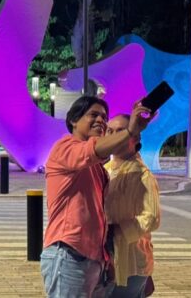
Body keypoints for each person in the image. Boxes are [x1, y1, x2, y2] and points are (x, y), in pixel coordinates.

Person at [40, 97, 154, 298]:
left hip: (95, 261)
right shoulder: (65, 148)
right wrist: (130, 130)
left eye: (104, 117)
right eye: (93, 115)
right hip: (69, 254)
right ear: (74, 120)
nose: (101, 120)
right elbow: (93, 149)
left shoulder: (99, 169)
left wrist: (106, 260)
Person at [104, 114, 161, 297]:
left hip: (131, 260)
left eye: (120, 131)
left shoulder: (142, 175)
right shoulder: (104, 170)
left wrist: (117, 230)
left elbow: (151, 217)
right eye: (109, 131)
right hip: (105, 256)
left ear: (135, 137)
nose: (114, 136)